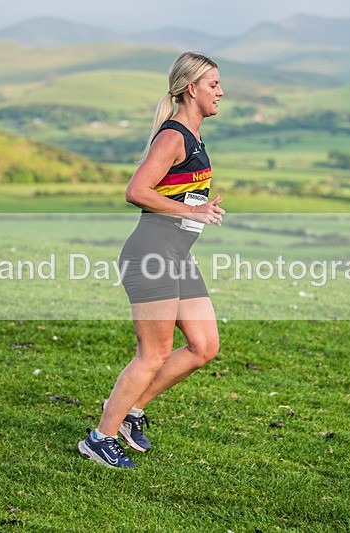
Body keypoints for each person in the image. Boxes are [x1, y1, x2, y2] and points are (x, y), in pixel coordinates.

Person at [78, 52, 226, 468]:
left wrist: (198, 205)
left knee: (204, 346)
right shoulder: (173, 135)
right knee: (154, 353)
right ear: (191, 88)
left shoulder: (194, 137)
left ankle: (131, 412)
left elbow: (174, 192)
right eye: (213, 84)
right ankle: (99, 437)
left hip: (176, 255)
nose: (221, 92)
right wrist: (192, 211)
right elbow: (136, 190)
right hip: (151, 255)